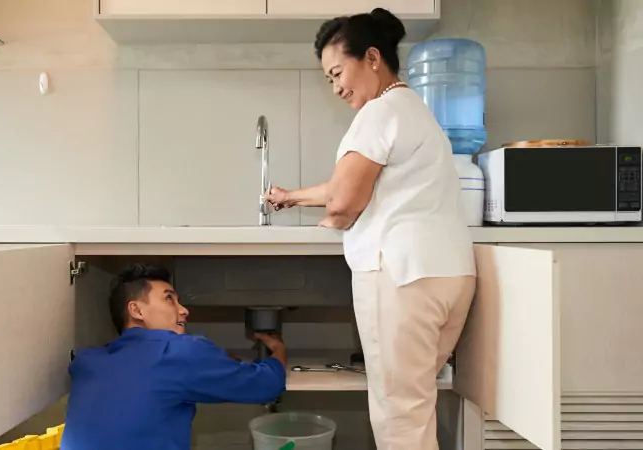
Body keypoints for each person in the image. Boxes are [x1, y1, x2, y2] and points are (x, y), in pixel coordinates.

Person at [263, 8, 476, 450]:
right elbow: (357, 184)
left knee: (400, 418)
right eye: (328, 79)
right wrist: (294, 197)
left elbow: (343, 200)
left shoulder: (377, 114)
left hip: (402, 278)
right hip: (448, 275)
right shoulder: (416, 111)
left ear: (373, 58)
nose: (337, 86)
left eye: (338, 71)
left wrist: (338, 217)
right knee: (415, 407)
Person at [60, 263, 287, 450]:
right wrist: (278, 349)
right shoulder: (179, 351)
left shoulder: (86, 361)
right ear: (137, 310)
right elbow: (268, 385)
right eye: (170, 299)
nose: (184, 310)